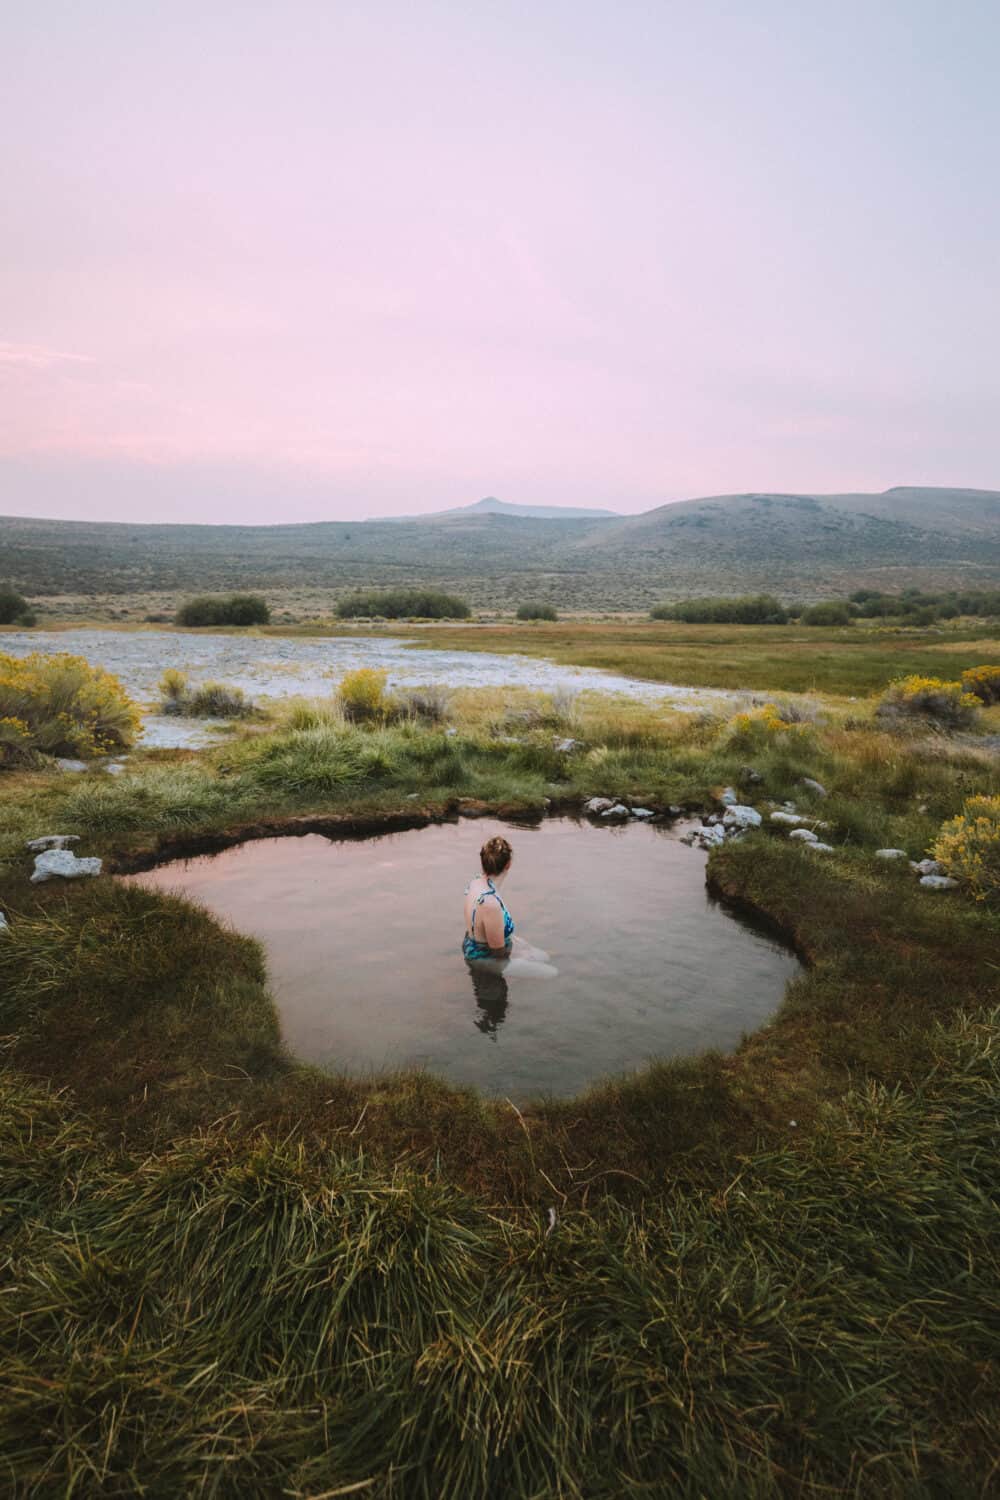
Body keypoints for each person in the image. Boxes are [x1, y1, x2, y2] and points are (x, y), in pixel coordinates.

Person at [462, 835, 558, 979]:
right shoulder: (490, 904)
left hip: (474, 943)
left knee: (543, 956)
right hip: (482, 957)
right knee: (553, 973)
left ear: (483, 863)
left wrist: (523, 949)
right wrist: (520, 955)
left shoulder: (475, 882)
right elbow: (498, 953)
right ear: (508, 864)